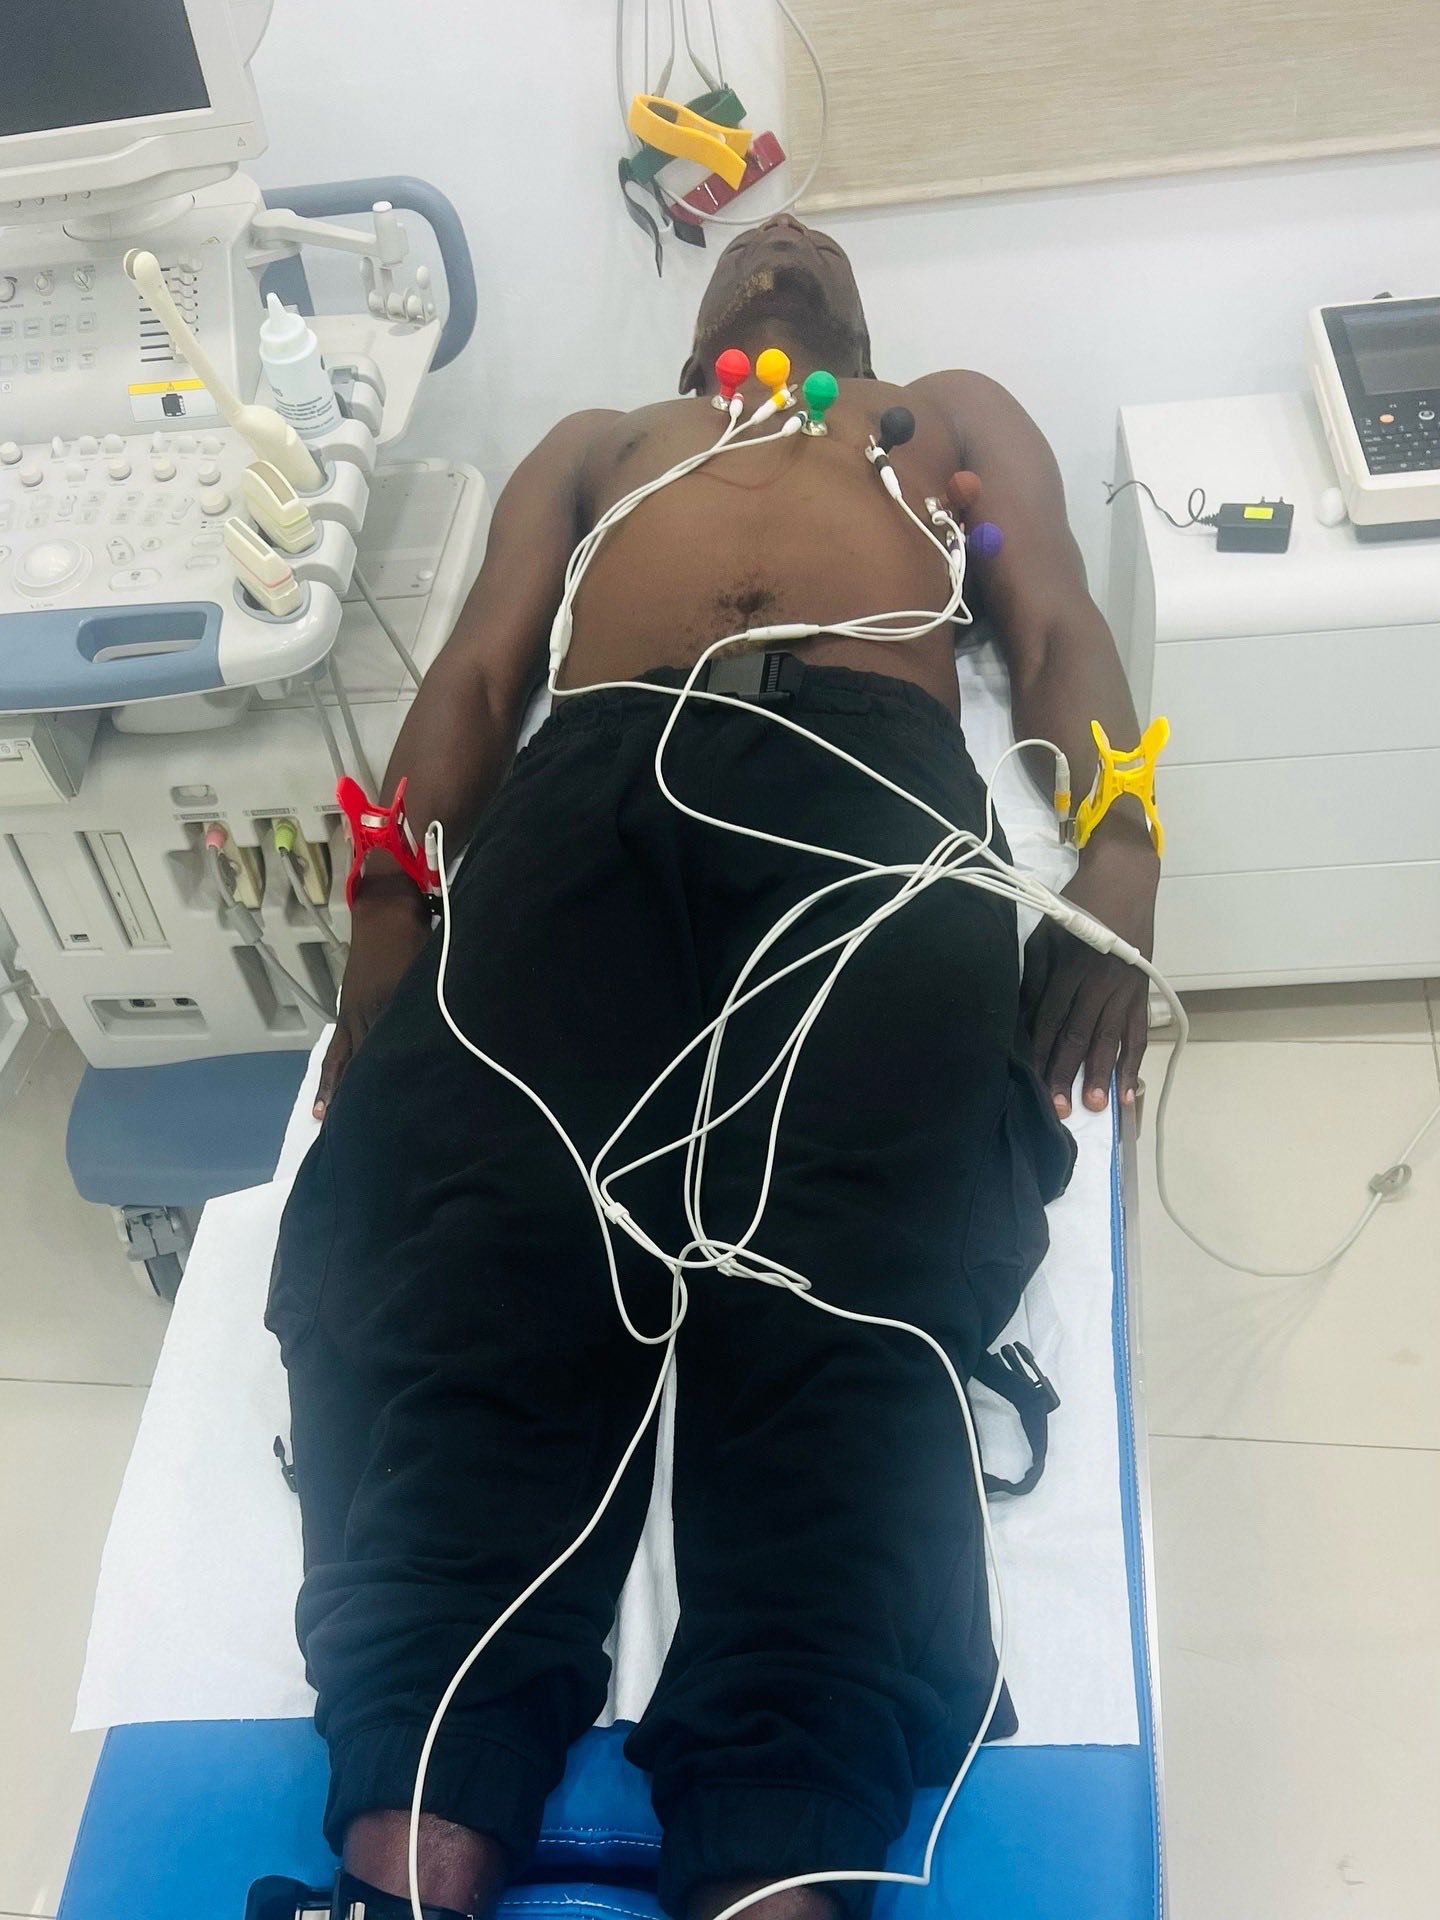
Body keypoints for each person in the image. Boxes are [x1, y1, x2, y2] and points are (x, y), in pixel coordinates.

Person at [267, 213, 1159, 1920]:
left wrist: (1120, 849)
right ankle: (416, 1844)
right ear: (696, 330)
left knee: (852, 1281)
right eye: (751, 239)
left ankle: (777, 1844)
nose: (785, 240)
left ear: (862, 323)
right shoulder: (606, 447)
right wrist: (389, 904)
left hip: (867, 798)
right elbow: (482, 670)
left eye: (815, 243)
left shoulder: (941, 420)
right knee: (479, 1238)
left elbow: (1052, 631)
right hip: (594, 787)